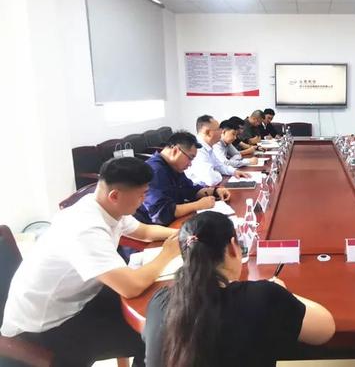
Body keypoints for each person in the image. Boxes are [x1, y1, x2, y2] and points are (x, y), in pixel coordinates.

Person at [1, 157, 181, 367]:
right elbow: (130, 287)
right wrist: (166, 254)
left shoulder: (103, 205)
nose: (144, 200)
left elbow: (145, 231)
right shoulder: (85, 227)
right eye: (141, 194)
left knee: (158, 310)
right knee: (158, 335)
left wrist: (182, 234)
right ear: (115, 195)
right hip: (46, 327)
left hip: (77, 299)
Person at [142, 211, 336, 367]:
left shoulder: (159, 302)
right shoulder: (263, 297)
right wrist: (282, 291)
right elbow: (325, 330)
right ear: (232, 247)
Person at [135, 131, 231, 226]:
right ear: (175, 151)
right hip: (155, 228)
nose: (190, 164)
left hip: (175, 220)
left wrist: (215, 191)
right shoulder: (154, 171)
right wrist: (198, 205)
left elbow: (191, 190)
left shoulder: (173, 167)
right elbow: (162, 213)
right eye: (190, 158)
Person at [186, 115, 251, 186]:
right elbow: (212, 180)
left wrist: (234, 171)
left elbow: (219, 165)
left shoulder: (208, 147)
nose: (221, 131)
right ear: (208, 132)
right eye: (218, 129)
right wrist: (218, 172)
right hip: (197, 190)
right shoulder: (197, 149)